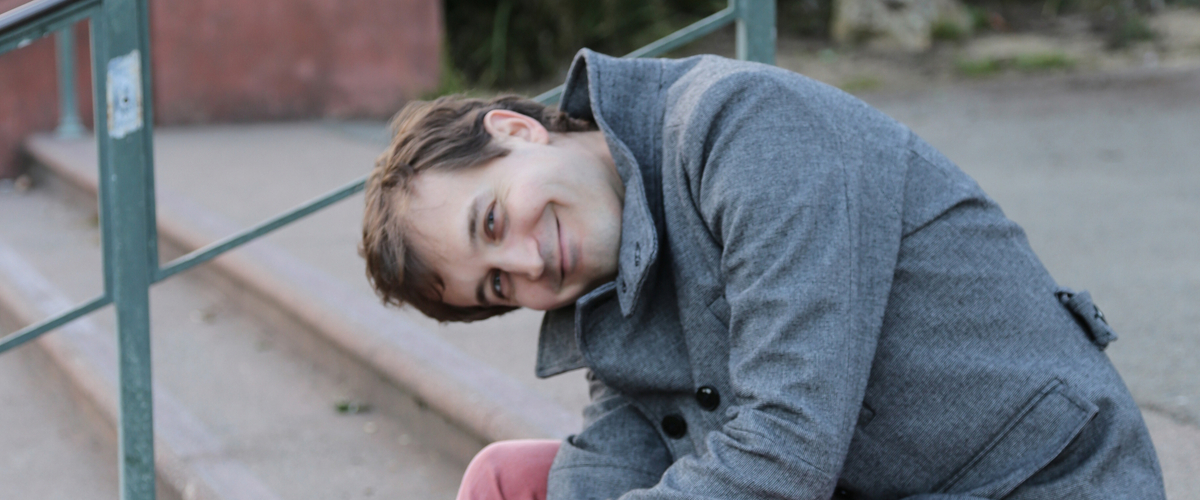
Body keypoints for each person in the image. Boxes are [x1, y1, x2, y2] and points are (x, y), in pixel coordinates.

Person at [360, 49, 1167, 500]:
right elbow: (630, 430)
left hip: (1041, 480)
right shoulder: (605, 263)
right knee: (509, 483)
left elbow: (785, 449)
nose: (532, 264)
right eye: (499, 286)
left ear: (516, 131)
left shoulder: (739, 128)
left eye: (493, 220)